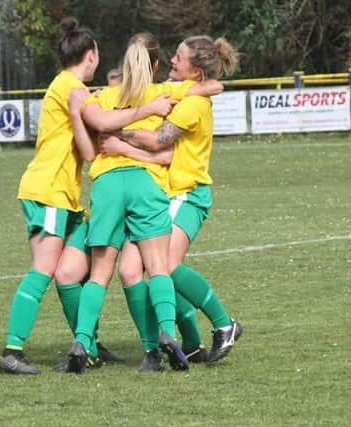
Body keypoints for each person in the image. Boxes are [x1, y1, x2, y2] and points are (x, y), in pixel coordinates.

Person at [0, 18, 175, 375]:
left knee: (71, 272)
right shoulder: (71, 88)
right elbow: (103, 127)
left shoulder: (73, 88)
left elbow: (88, 147)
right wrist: (148, 111)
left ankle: (89, 345)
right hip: (48, 189)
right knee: (46, 268)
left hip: (68, 194)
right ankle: (12, 349)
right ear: (90, 54)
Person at [66, 32, 223, 373]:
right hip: (145, 183)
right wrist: (151, 106)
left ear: (121, 68)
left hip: (106, 183)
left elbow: (93, 138)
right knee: (158, 265)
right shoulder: (161, 93)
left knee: (101, 274)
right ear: (151, 67)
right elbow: (211, 87)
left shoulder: (103, 96)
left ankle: (81, 340)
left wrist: (85, 104)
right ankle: (168, 334)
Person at [102, 35, 243, 365]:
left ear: (195, 70)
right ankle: (180, 344)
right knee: (131, 269)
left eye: (179, 57)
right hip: (164, 194)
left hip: (188, 193)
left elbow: (157, 140)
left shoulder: (193, 105)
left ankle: (224, 323)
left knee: (165, 266)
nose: (172, 61)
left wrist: (114, 133)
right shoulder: (181, 91)